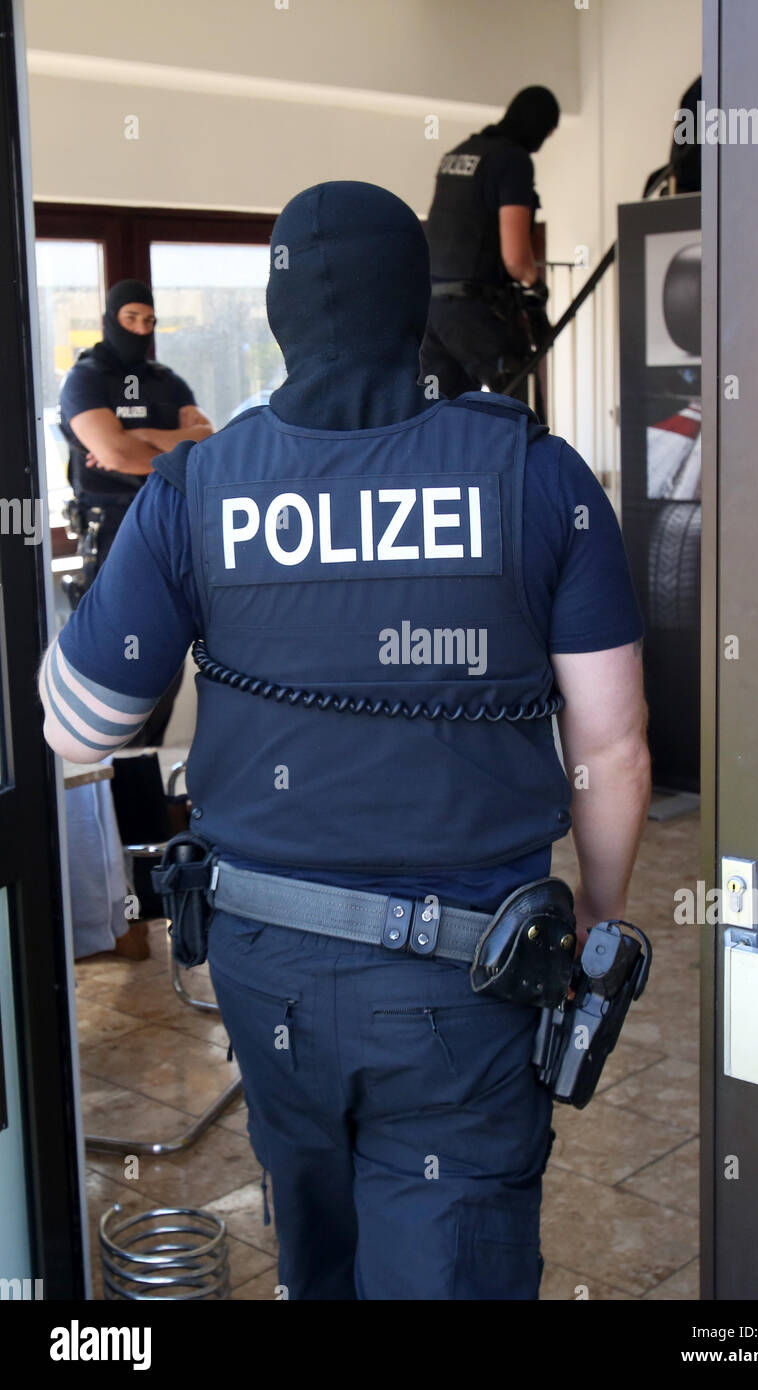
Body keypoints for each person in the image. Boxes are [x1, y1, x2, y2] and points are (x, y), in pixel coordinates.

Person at [39, 182, 650, 1301]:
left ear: (280, 319)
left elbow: (78, 725)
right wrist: (601, 926)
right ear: (413, 307)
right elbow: (610, 751)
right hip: (472, 979)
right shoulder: (537, 472)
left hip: (269, 973)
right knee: (448, 1255)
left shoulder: (199, 484)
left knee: (317, 1255)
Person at [59, 278, 213, 744]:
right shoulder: (85, 377)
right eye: (131, 318)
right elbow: (117, 452)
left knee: (168, 664)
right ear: (111, 318)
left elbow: (206, 442)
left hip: (171, 527)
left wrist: (136, 435)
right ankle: (121, 788)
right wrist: (163, 443)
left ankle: (150, 792)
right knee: (119, 672)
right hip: (109, 534)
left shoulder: (168, 380)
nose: (141, 328)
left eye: (149, 320)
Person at [420, 86, 560, 405]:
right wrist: (535, 285)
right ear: (540, 125)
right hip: (477, 312)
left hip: (431, 310)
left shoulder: (457, 153)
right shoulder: (513, 161)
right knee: (518, 414)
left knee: (437, 418)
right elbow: (516, 260)